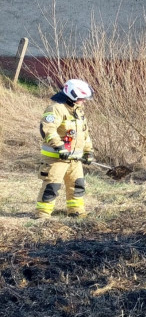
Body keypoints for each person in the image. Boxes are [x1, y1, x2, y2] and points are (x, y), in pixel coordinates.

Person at [37, 79, 95, 218]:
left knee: (77, 185)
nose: (84, 101)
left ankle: (76, 211)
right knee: (52, 186)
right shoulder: (56, 109)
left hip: (74, 159)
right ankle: (43, 214)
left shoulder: (78, 111)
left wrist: (88, 151)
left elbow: (84, 134)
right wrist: (59, 147)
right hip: (56, 158)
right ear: (72, 95)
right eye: (82, 98)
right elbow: (48, 129)